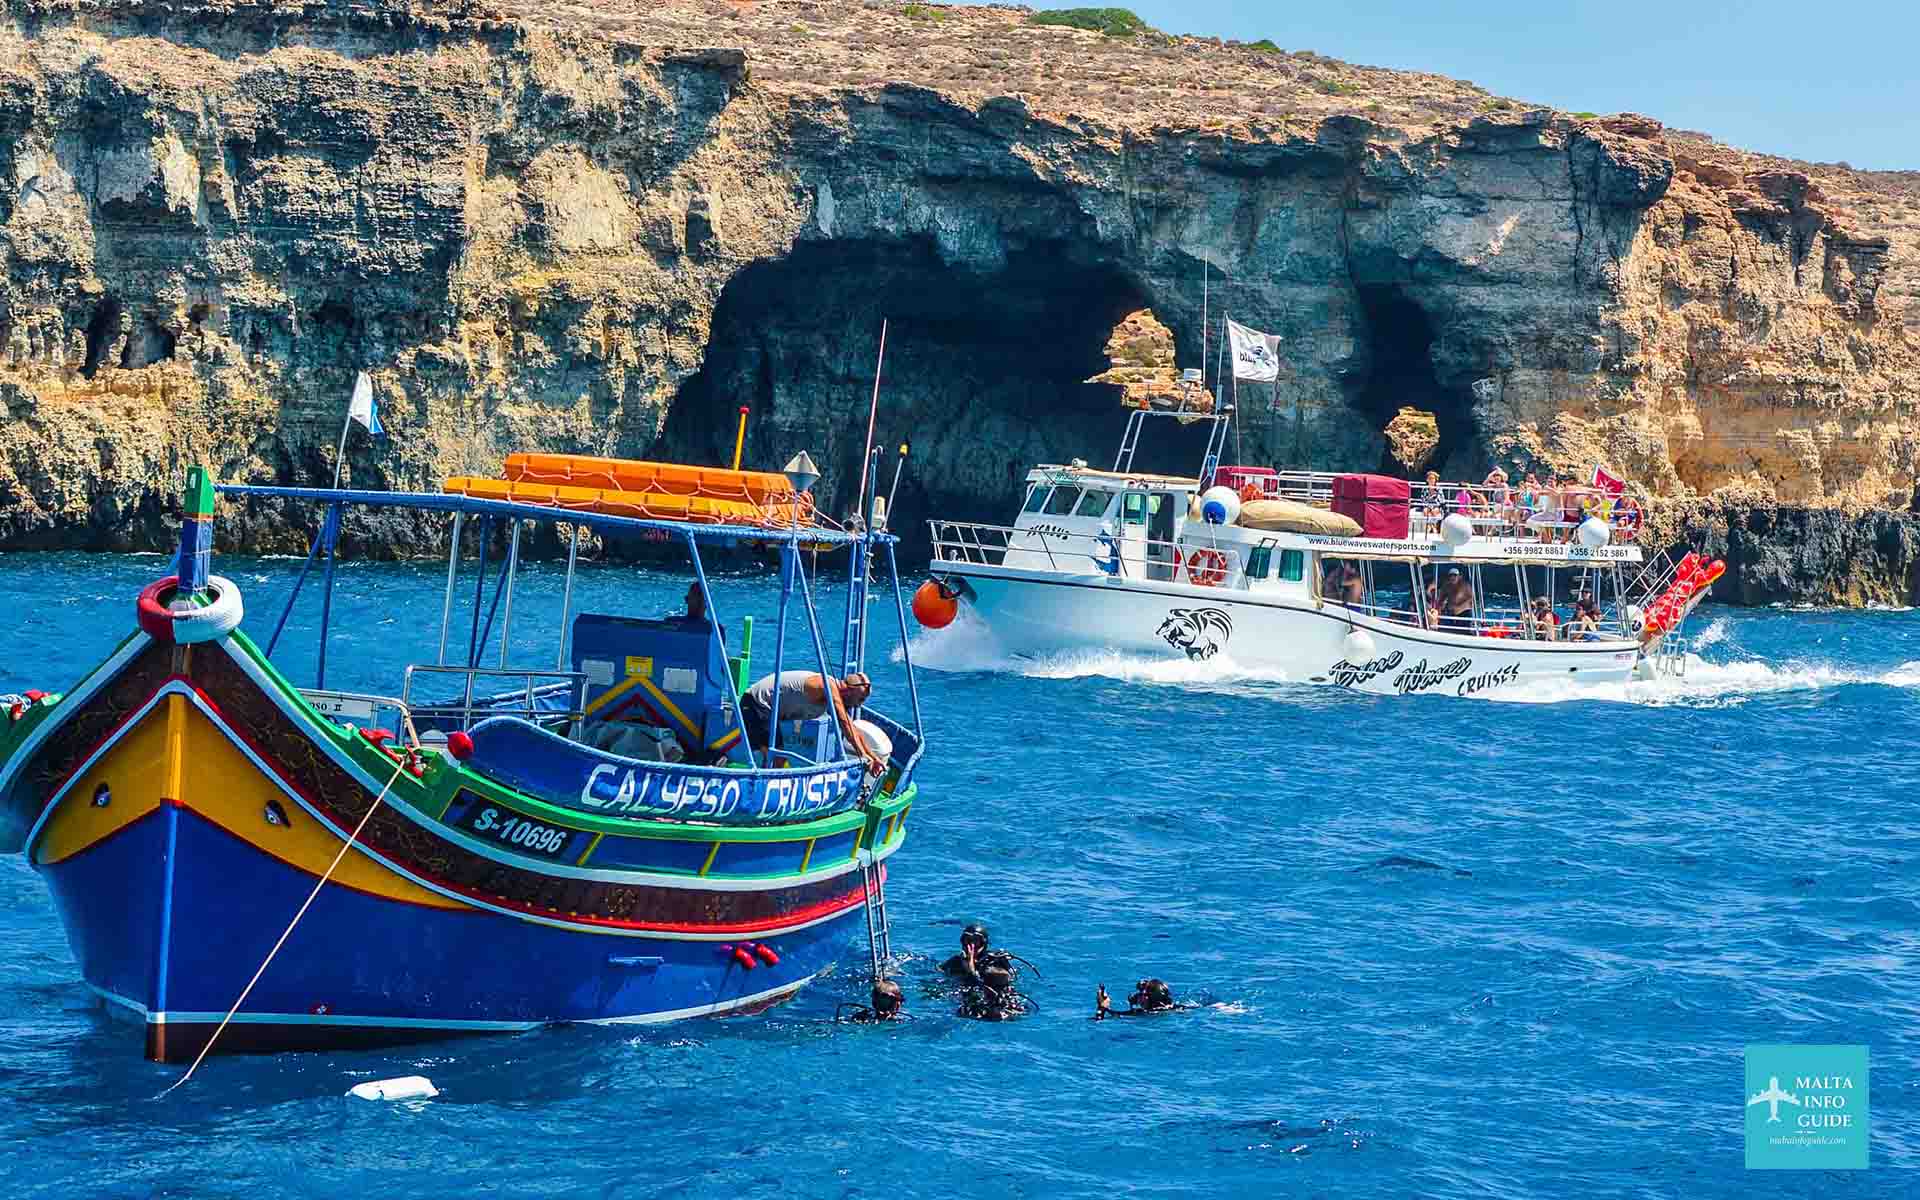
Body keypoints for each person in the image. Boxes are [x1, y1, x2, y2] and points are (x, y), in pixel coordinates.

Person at [739, 670, 885, 774]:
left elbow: (852, 728)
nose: (859, 705)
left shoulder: (835, 694)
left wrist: (872, 756)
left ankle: (765, 787)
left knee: (777, 756)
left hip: (768, 711)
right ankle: (763, 793)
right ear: (848, 691)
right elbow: (845, 724)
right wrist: (863, 755)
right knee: (777, 756)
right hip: (756, 704)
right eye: (860, 699)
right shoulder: (826, 685)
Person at [957, 963, 1027, 1021]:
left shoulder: (1010, 1001)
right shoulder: (975, 1006)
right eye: (1003, 986)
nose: (1008, 988)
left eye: (1007, 985)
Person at [1095, 979, 1192, 1019]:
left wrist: (1102, 1006)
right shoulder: (1180, 1008)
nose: (1137, 996)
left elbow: (1100, 1020)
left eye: (1140, 994)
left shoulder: (1141, 1013)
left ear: (1146, 997)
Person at [840, 978, 905, 1023]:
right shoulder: (862, 1018)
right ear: (873, 1004)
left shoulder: (902, 1020)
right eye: (880, 1007)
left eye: (889, 1007)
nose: (884, 1013)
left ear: (898, 1006)